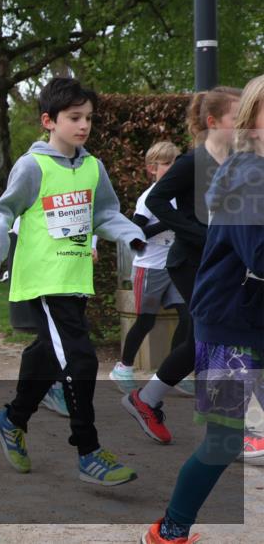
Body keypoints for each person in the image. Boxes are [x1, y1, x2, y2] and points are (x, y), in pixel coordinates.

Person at [0, 77, 146, 486]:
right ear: (48, 121)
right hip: (43, 281)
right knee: (81, 359)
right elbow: (4, 211)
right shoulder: (32, 165)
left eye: (88, 117)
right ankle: (88, 451)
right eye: (74, 117)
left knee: (47, 355)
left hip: (75, 279)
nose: (84, 125)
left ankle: (12, 419)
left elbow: (105, 214)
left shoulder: (93, 167)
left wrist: (132, 235)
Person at [141, 74, 264, 543]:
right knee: (224, 439)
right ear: (250, 120)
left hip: (251, 317)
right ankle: (168, 532)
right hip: (229, 325)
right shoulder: (246, 176)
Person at [123, 87, 243, 445]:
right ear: (213, 122)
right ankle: (225, 427)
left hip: (223, 262)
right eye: (236, 118)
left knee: (203, 339)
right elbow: (158, 199)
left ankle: (146, 399)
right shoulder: (193, 162)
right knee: (212, 336)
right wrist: (197, 232)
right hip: (190, 263)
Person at [109, 141, 188, 401]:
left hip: (174, 266)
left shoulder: (181, 195)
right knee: (146, 320)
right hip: (149, 267)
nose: (172, 167)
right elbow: (136, 232)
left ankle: (175, 373)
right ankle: (123, 368)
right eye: (166, 164)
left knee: (187, 317)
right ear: (152, 169)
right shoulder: (149, 198)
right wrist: (168, 221)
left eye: (175, 162)